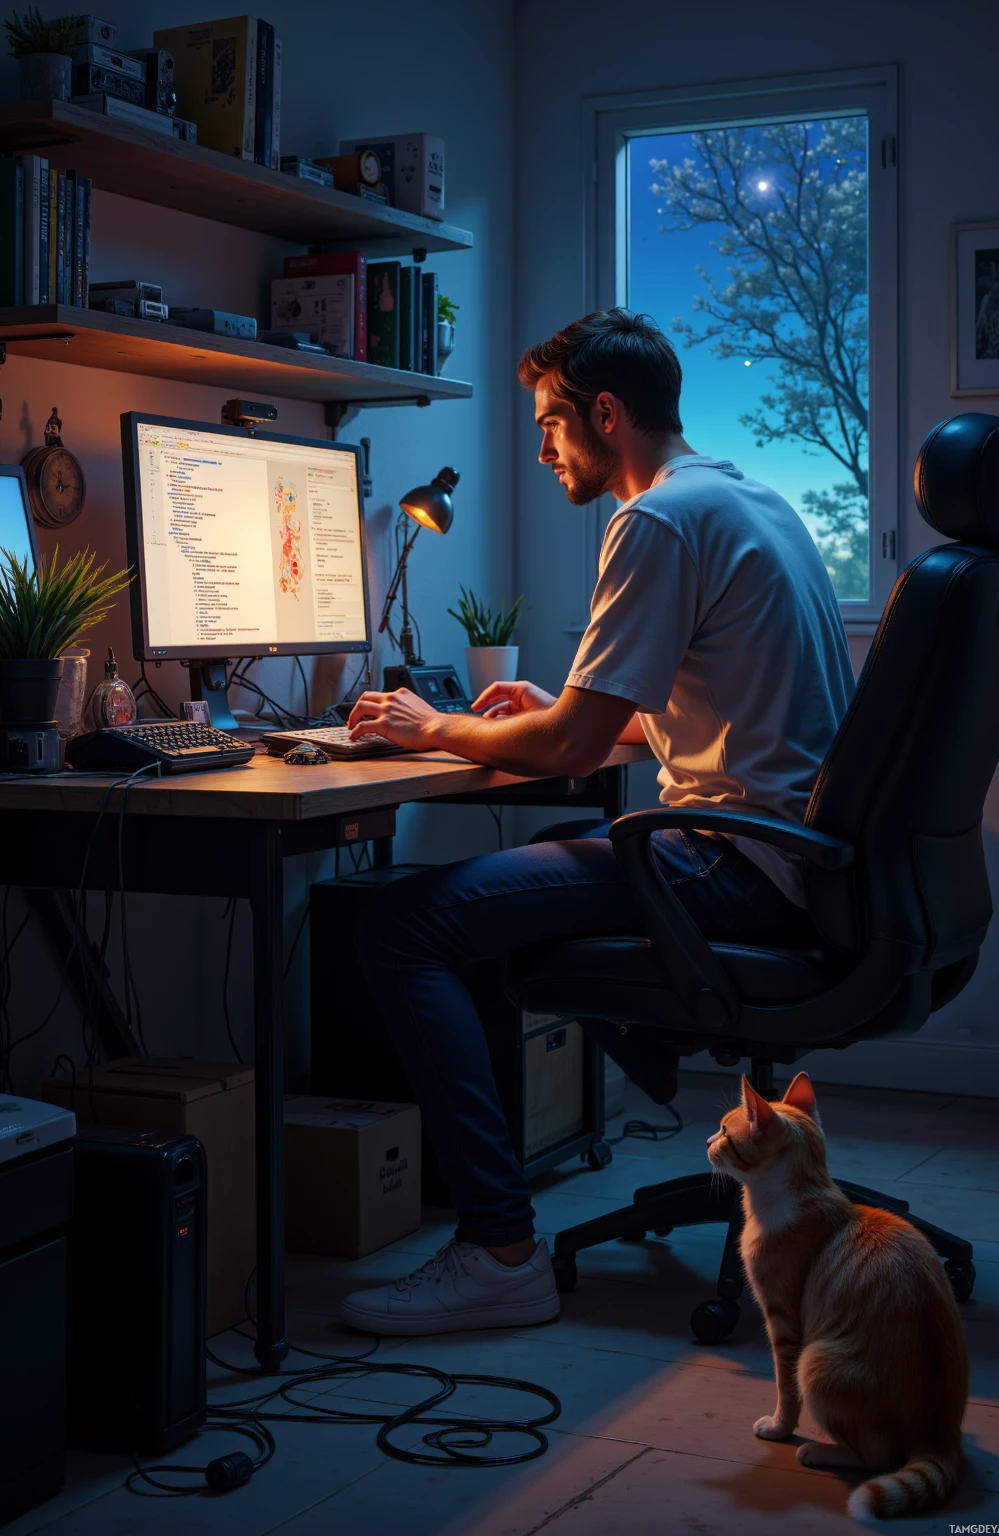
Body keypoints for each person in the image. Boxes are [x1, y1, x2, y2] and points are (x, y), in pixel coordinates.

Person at [338, 308, 855, 1337]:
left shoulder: (654, 520)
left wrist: (427, 722)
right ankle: (638, 1053)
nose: (540, 449)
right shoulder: (751, 500)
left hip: (733, 865)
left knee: (402, 925)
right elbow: (665, 719)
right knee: (480, 909)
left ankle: (497, 1253)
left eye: (549, 424)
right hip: (796, 859)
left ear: (604, 415)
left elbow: (574, 750)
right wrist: (559, 710)